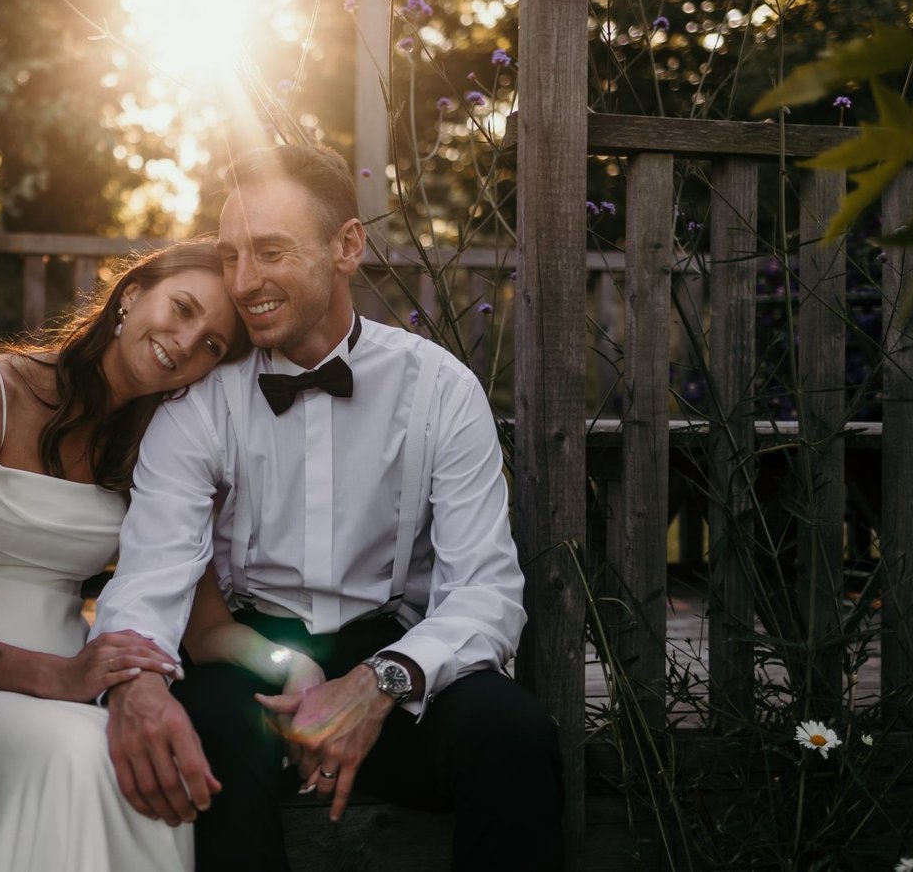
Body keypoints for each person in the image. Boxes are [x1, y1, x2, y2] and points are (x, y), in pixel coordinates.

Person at [92, 143, 565, 871]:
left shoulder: (440, 390)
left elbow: (487, 594)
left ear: (347, 246)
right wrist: (138, 681)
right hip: (252, 667)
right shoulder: (197, 404)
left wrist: (383, 682)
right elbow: (153, 573)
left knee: (515, 736)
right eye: (231, 256)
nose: (245, 283)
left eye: (271, 252)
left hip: (394, 658)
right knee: (200, 735)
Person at [0, 238, 305, 872]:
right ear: (132, 294)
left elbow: (206, 626)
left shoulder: (164, 451)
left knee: (134, 757)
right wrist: (63, 677)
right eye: (183, 307)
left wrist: (290, 665)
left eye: (214, 345)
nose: (188, 343)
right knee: (82, 751)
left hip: (66, 691)